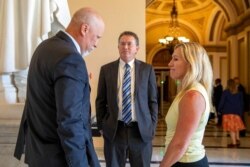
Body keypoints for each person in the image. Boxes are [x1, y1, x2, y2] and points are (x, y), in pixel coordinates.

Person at [14, 7, 105, 167]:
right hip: (61, 160)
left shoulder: (43, 48)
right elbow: (70, 121)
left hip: (39, 156)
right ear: (85, 29)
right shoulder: (71, 59)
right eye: (97, 37)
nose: (96, 44)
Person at [95, 31, 158, 167]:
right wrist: (101, 125)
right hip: (115, 131)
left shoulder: (147, 70)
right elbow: (100, 101)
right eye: (122, 44)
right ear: (118, 47)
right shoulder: (106, 70)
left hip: (140, 131)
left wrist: (152, 126)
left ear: (137, 48)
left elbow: (152, 101)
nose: (126, 47)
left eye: (130, 44)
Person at [160, 42, 213, 167]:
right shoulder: (188, 91)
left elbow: (179, 144)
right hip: (181, 160)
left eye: (176, 59)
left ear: (191, 63)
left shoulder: (192, 96)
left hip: (186, 162)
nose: (170, 63)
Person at [218, 79, 245, 148]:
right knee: (236, 127)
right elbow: (241, 104)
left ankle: (234, 143)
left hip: (228, 112)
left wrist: (220, 109)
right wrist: (240, 113)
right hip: (237, 113)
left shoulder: (225, 92)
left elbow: (222, 102)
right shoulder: (239, 93)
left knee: (231, 129)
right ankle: (237, 139)